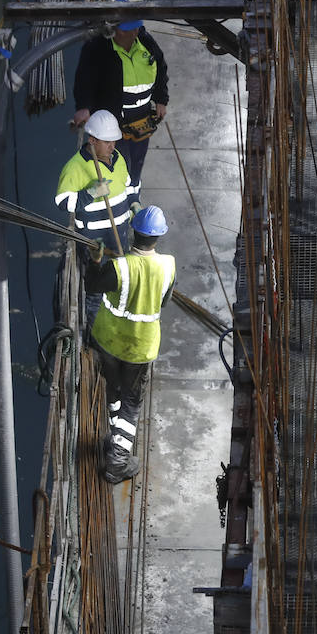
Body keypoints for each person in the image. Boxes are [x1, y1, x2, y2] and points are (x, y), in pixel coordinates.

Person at [85, 205, 177, 483]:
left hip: (109, 341)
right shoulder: (168, 266)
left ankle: (115, 444)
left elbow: (92, 285)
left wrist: (95, 259)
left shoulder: (118, 267)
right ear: (157, 238)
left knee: (113, 390)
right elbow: (163, 301)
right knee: (131, 401)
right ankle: (117, 461)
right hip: (140, 348)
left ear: (132, 233)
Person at [71, 4, 170, 199]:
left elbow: (161, 70)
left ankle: (133, 199)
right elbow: (85, 79)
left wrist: (161, 100)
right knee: (116, 163)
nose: (134, 33)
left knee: (137, 162)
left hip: (141, 119)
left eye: (136, 28)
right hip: (112, 121)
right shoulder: (98, 48)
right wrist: (84, 107)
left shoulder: (145, 42)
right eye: (128, 29)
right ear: (113, 29)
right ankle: (114, 200)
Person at [55, 109, 135, 245]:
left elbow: (127, 185)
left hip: (120, 233)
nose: (112, 147)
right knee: (94, 265)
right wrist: (91, 193)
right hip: (93, 239)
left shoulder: (117, 157)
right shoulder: (75, 167)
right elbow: (62, 202)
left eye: (113, 141)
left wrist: (134, 201)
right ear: (92, 140)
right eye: (107, 142)